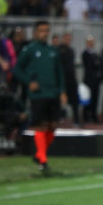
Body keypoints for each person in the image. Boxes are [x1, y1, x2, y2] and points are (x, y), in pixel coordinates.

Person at [13, 20, 66, 171]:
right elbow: (17, 69)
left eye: (46, 30)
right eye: (42, 30)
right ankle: (43, 159)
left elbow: (59, 72)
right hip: (38, 94)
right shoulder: (30, 49)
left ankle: (39, 153)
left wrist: (62, 90)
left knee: (53, 126)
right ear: (36, 32)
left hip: (53, 93)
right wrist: (28, 82)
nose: (44, 33)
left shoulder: (52, 50)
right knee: (40, 126)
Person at [58, 31, 81, 127]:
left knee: (74, 101)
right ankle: (59, 119)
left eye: (69, 39)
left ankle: (76, 120)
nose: (68, 40)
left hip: (71, 79)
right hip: (63, 79)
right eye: (66, 38)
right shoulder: (59, 50)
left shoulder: (71, 50)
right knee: (60, 101)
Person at [81, 35, 103, 124]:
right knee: (87, 98)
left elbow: (99, 64)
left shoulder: (95, 53)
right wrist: (96, 63)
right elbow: (91, 64)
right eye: (89, 42)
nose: (91, 43)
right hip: (88, 80)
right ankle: (86, 116)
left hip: (96, 80)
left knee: (95, 98)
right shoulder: (85, 53)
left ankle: (94, 115)